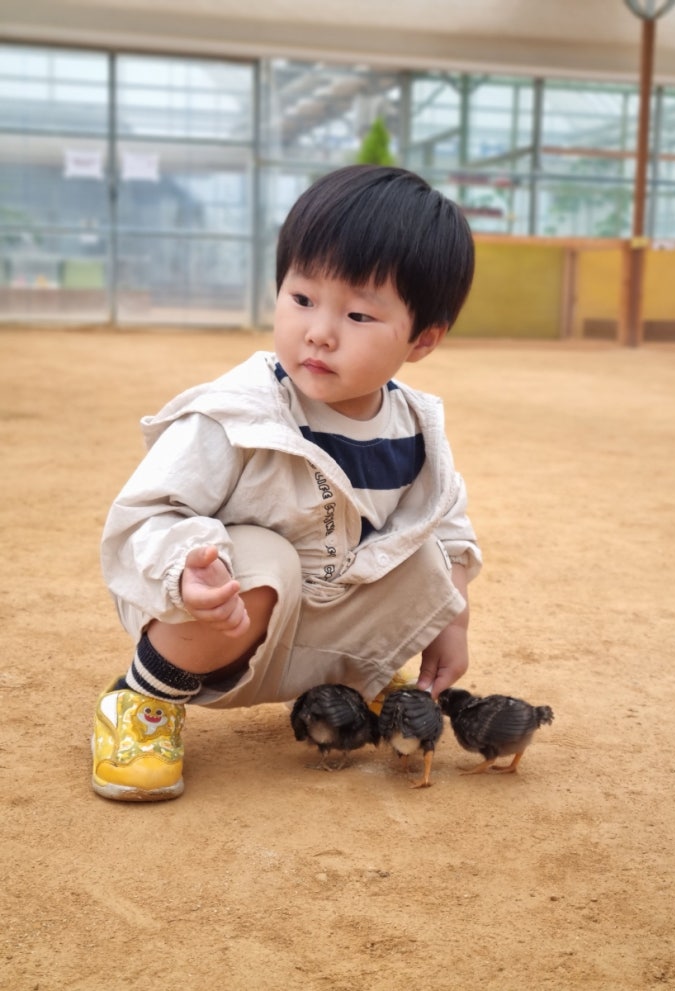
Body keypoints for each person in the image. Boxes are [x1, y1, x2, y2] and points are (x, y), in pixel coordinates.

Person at [92, 164, 481, 802]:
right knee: (264, 557)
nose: (318, 331)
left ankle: (362, 685)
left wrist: (452, 624)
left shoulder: (414, 428)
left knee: (430, 547)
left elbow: (451, 527)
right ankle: (143, 702)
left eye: (357, 314)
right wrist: (185, 573)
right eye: (301, 299)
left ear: (424, 339)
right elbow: (145, 514)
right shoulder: (239, 415)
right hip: (226, 625)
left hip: (331, 634)